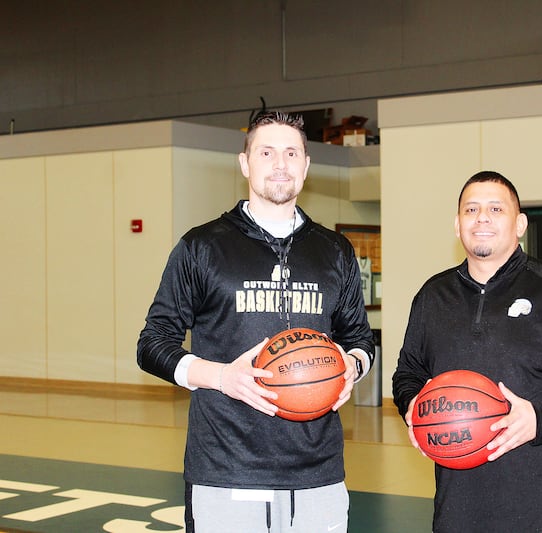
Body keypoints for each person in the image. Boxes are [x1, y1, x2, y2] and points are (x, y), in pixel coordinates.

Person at [137, 110, 375, 533]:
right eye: (266, 152)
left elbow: (360, 339)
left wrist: (350, 367)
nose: (280, 164)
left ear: (305, 166)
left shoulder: (335, 250)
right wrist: (222, 377)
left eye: (291, 153)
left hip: (318, 473)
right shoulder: (202, 247)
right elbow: (153, 343)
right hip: (227, 468)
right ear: (245, 163)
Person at [392, 170, 542, 532]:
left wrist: (540, 419)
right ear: (457, 225)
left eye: (495, 209)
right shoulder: (432, 297)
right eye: (471, 210)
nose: (481, 218)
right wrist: (415, 410)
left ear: (520, 225)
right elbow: (408, 373)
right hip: (457, 514)